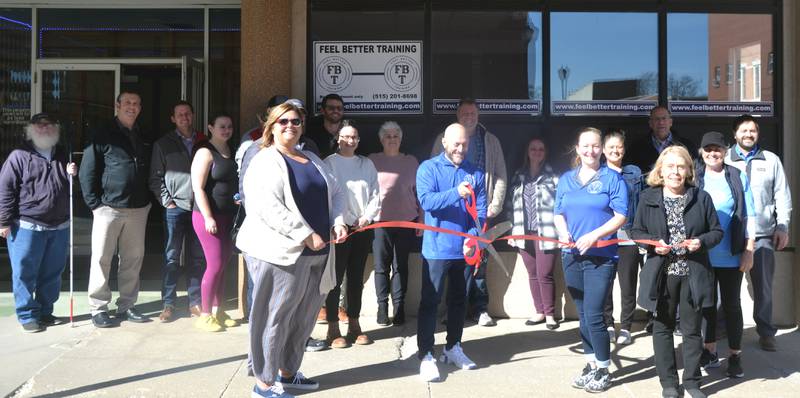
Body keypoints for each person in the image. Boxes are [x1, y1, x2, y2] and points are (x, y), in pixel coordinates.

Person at [236, 102, 346, 398]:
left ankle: (288, 373)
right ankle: (264, 383)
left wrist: (337, 222)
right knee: (274, 318)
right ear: (271, 126)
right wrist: (306, 234)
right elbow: (266, 207)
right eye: (283, 121)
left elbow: (336, 192)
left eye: (296, 121)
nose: (290, 126)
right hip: (280, 254)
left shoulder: (311, 157)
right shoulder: (262, 159)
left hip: (319, 254)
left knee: (304, 318)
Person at [631, 145, 723, 398]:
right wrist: (652, 244)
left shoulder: (701, 197)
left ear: (688, 170)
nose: (675, 171)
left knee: (692, 331)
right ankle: (669, 383)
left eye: (680, 166)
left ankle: (692, 382)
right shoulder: (647, 198)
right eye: (670, 166)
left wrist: (701, 242)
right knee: (662, 328)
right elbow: (636, 232)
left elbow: (717, 232)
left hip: (693, 273)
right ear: (661, 170)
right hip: (663, 274)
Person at [553, 127, 628, 393]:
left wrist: (593, 236)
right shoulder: (566, 179)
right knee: (583, 314)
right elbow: (558, 212)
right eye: (585, 145)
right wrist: (564, 233)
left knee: (596, 315)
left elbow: (620, 215)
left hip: (602, 256)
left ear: (602, 149)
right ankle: (590, 363)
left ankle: (603, 368)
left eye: (596, 146)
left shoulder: (612, 179)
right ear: (577, 148)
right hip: (572, 255)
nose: (590, 150)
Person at [416, 123, 486, 382]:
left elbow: (481, 212)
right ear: (444, 142)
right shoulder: (428, 168)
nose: (460, 148)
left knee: (459, 301)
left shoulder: (475, 173)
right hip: (436, 248)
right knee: (430, 303)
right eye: (455, 143)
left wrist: (475, 238)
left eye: (464, 144)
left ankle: (452, 347)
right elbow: (427, 201)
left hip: (464, 250)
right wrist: (455, 193)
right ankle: (425, 354)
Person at [431, 98, 507, 327]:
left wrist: (495, 205)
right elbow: (434, 171)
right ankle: (452, 310)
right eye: (464, 113)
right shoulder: (443, 139)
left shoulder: (490, 140)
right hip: (453, 211)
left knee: (479, 260)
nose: (469, 116)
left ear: (478, 114)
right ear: (457, 115)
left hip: (480, 211)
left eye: (473, 113)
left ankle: (481, 308)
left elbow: (501, 174)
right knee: (452, 260)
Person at [79, 91, 152, 328]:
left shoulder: (142, 132)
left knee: (132, 259)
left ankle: (127, 305)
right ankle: (98, 308)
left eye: (136, 103)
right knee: (102, 258)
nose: (132, 106)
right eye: (127, 102)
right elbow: (87, 170)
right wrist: (94, 204)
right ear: (117, 105)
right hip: (108, 208)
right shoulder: (102, 132)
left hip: (138, 208)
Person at [0, 114, 76, 333]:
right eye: (39, 125)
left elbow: (68, 189)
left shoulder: (63, 155)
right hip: (27, 225)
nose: (44, 128)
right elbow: (6, 190)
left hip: (59, 226)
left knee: (52, 273)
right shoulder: (19, 156)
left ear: (56, 129)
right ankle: (27, 315)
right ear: (31, 129)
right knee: (25, 272)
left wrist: (72, 174)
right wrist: (3, 221)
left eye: (49, 125)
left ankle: (45, 311)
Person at [724, 115, 792, 352]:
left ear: (758, 134)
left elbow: (782, 195)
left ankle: (765, 332)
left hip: (762, 234)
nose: (748, 134)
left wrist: (783, 226)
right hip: (730, 236)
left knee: (763, 287)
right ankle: (725, 329)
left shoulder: (771, 160)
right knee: (727, 286)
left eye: (753, 130)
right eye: (744, 130)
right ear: (735, 134)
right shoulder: (724, 159)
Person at [694, 131, 755, 378]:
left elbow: (749, 214)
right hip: (702, 255)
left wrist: (749, 250)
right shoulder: (694, 176)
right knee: (706, 306)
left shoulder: (737, 176)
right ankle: (709, 351)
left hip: (730, 254)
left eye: (717, 148)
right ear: (701, 152)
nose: (712, 153)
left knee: (731, 305)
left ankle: (734, 355)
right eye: (707, 149)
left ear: (725, 150)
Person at [323, 120, 381, 348]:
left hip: (362, 228)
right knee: (334, 280)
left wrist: (366, 217)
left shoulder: (366, 164)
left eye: (354, 137)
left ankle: (354, 324)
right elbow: (331, 196)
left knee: (356, 278)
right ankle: (333, 327)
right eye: (346, 136)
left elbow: (375, 193)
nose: (350, 140)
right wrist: (343, 221)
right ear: (338, 138)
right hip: (339, 229)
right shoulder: (329, 163)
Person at [149, 101, 206, 322]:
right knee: (171, 258)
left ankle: (195, 302)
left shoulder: (204, 141)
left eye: (187, 114)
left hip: (199, 208)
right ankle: (169, 304)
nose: (184, 117)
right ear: (173, 118)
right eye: (179, 114)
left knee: (197, 258)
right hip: (175, 208)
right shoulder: (163, 143)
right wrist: (167, 202)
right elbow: (155, 177)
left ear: (193, 116)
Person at [368, 121, 423, 327]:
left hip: (406, 220)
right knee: (381, 267)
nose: (392, 139)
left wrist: (422, 218)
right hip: (379, 222)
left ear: (401, 139)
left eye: (395, 136)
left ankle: (399, 308)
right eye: (388, 136)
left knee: (401, 266)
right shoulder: (372, 160)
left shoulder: (411, 161)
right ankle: (382, 309)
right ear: (381, 139)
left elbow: (420, 193)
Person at [191, 113, 239, 332]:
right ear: (210, 127)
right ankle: (206, 314)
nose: (226, 130)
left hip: (228, 216)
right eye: (221, 126)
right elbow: (198, 187)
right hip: (207, 217)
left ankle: (219, 310)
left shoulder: (231, 151)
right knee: (215, 264)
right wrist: (208, 216)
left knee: (223, 265)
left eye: (229, 126)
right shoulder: (204, 152)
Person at [507, 135, 560, 330]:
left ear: (545, 153)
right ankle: (539, 311)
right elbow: (510, 206)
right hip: (522, 230)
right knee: (532, 273)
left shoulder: (554, 177)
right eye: (533, 149)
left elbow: (561, 206)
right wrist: (512, 230)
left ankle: (550, 315)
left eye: (541, 149)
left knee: (545, 273)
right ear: (527, 152)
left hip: (546, 231)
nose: (537, 152)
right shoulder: (518, 175)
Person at [601, 130, 644, 345]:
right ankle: (608, 324)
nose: (615, 151)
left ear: (624, 149)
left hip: (629, 236)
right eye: (611, 148)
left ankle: (626, 327)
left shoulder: (634, 172)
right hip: (604, 237)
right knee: (606, 283)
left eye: (619, 147)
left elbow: (643, 202)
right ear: (603, 151)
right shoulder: (597, 174)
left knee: (628, 284)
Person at [628, 105, 698, 173]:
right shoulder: (637, 148)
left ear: (670, 122)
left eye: (664, 118)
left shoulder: (687, 146)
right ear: (650, 123)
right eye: (657, 119)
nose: (661, 122)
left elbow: (696, 171)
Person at [306, 93, 344, 158]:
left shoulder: (349, 130)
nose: (335, 111)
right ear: (322, 110)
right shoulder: (312, 133)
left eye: (339, 108)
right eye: (331, 108)